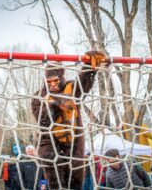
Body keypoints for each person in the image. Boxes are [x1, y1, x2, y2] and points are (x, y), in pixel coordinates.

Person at [31, 51, 107, 189]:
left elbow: (83, 84)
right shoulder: (39, 97)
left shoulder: (71, 89)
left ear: (61, 78)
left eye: (55, 81)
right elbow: (43, 122)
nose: (53, 85)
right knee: (54, 170)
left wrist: (89, 67)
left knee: (76, 182)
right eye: (49, 82)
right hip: (50, 142)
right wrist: (55, 103)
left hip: (74, 143)